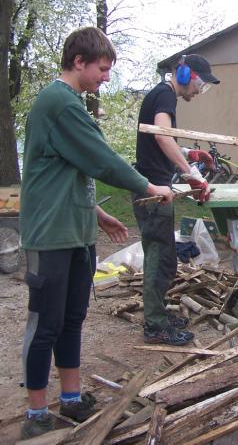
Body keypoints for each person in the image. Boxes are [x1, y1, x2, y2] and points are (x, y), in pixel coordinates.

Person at [19, 27, 174, 439]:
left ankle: (70, 400)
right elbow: (102, 159)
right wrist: (147, 185)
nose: (106, 77)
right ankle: (36, 414)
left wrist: (96, 214)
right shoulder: (58, 102)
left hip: (75, 231)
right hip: (50, 234)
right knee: (45, 323)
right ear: (79, 62)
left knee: (72, 318)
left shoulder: (70, 104)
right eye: (103, 69)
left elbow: (74, 168)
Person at [133, 54, 219, 346]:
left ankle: (158, 315)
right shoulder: (165, 96)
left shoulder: (161, 96)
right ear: (185, 75)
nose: (198, 91)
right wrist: (192, 174)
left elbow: (162, 139)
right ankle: (155, 326)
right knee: (159, 259)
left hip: (157, 188)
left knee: (167, 259)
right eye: (200, 84)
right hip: (152, 192)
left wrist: (189, 154)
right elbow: (161, 137)